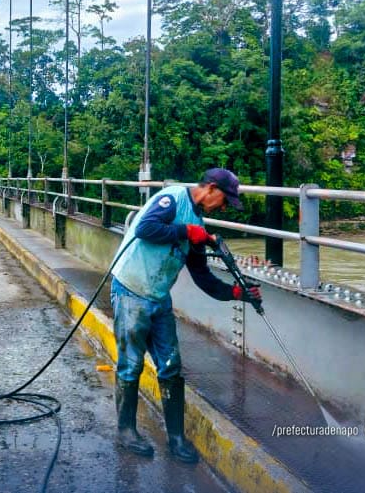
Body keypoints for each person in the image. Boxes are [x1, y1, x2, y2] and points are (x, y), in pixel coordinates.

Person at [110, 168, 261, 463]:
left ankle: (176, 438)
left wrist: (237, 294)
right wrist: (185, 232)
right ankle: (126, 431)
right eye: (225, 200)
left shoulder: (199, 225)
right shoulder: (173, 197)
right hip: (130, 290)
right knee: (130, 364)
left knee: (171, 365)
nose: (224, 206)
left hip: (158, 297)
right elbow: (145, 229)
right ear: (212, 189)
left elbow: (203, 277)